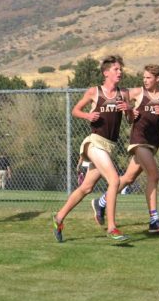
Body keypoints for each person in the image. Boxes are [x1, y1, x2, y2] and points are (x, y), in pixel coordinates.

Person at [52, 55, 133, 243]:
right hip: (94, 142)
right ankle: (112, 228)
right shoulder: (95, 92)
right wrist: (88, 116)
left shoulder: (123, 94)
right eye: (116, 69)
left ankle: (59, 217)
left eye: (121, 69)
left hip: (109, 147)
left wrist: (128, 109)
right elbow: (75, 110)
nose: (120, 72)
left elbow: (130, 120)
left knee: (86, 187)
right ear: (106, 73)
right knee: (114, 180)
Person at [90, 64, 159, 234]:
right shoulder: (137, 93)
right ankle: (154, 220)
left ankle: (100, 203)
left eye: (148, 78)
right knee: (154, 175)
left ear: (158, 79)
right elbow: (118, 100)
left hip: (153, 144)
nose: (145, 81)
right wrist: (130, 111)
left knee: (128, 178)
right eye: (143, 77)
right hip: (139, 141)